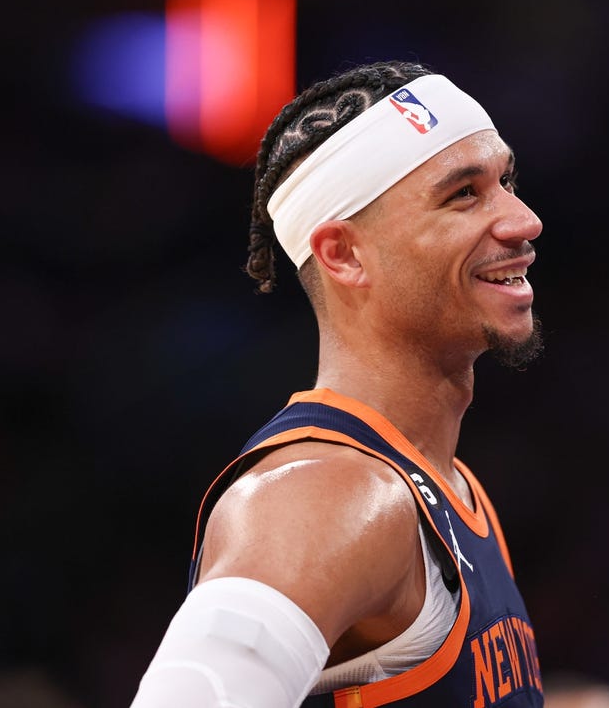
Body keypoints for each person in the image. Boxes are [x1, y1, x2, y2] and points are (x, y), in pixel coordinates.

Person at [130, 60, 546, 707]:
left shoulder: (451, 489)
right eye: (464, 193)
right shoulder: (327, 493)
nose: (523, 221)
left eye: (506, 180)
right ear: (344, 254)